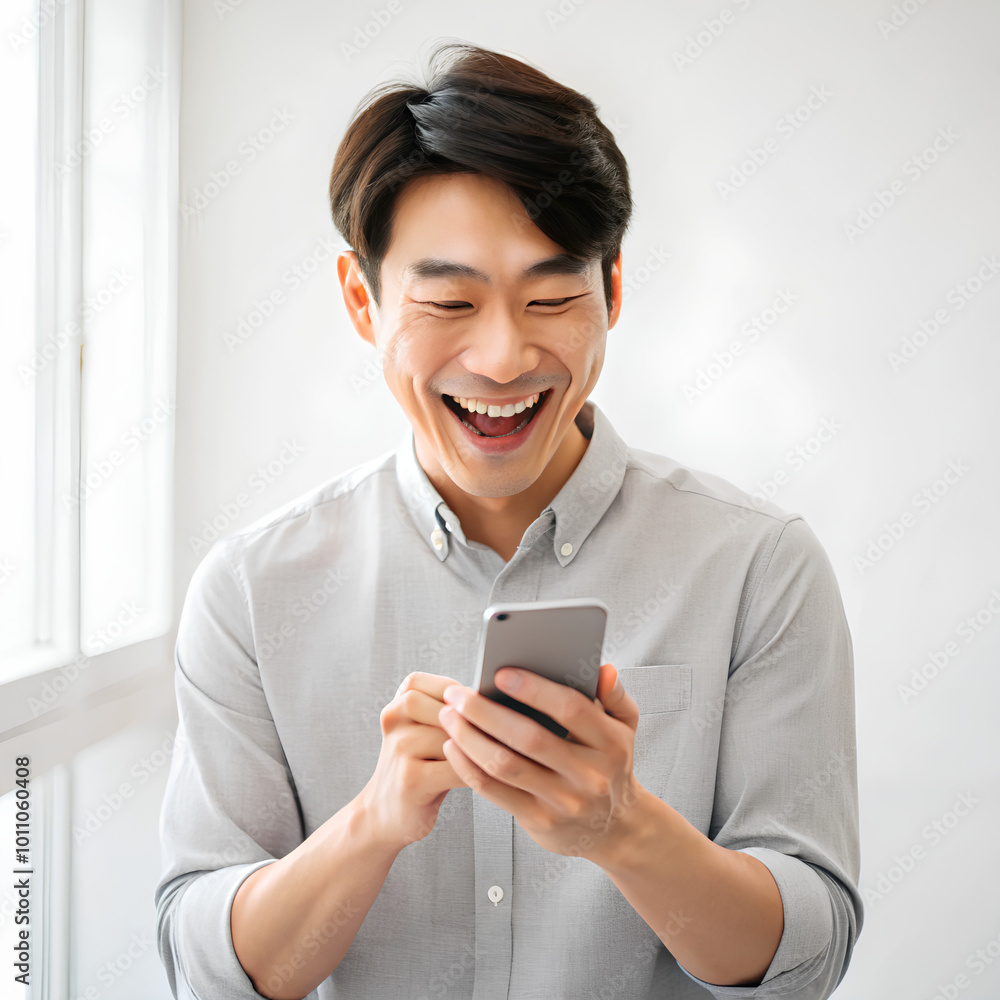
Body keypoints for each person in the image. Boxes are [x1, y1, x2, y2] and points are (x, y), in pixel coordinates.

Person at [155, 40, 862, 1000]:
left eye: (552, 297)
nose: (500, 357)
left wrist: (621, 827)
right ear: (363, 302)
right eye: (448, 301)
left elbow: (806, 960)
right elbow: (209, 971)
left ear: (612, 293)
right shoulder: (250, 590)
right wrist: (377, 821)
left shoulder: (757, 567)